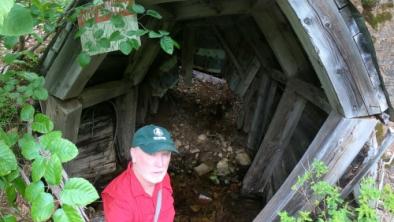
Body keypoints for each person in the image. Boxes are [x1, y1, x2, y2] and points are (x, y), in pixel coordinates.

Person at [102, 124, 178, 222]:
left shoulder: (163, 177)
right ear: (134, 154)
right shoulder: (118, 199)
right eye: (152, 154)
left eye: (166, 154)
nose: (160, 164)